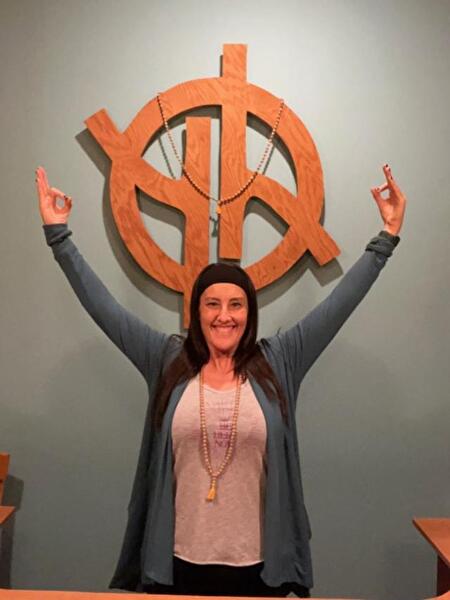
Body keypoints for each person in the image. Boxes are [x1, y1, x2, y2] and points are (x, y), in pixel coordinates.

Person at [35, 164, 406, 597]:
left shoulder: (279, 361)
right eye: (212, 304)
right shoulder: (167, 360)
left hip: (259, 569)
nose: (224, 316)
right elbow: (104, 308)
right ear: (197, 312)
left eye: (236, 304)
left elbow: (339, 304)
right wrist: (59, 236)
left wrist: (386, 237)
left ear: (250, 312)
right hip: (176, 565)